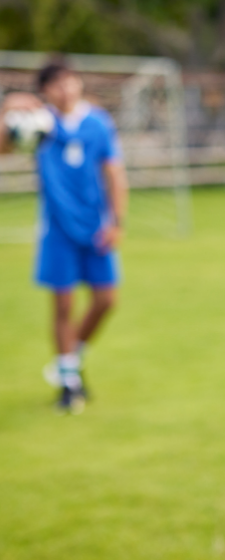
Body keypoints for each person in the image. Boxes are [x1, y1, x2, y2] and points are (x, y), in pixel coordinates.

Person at [0, 61, 127, 413]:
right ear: (45, 91)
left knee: (106, 301)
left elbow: (115, 175)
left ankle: (69, 358)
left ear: (79, 81)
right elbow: (3, 148)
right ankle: (69, 384)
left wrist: (117, 222)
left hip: (96, 227)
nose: (66, 89)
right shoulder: (40, 124)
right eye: (56, 84)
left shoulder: (98, 123)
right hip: (57, 230)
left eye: (70, 80)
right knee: (64, 305)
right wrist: (9, 106)